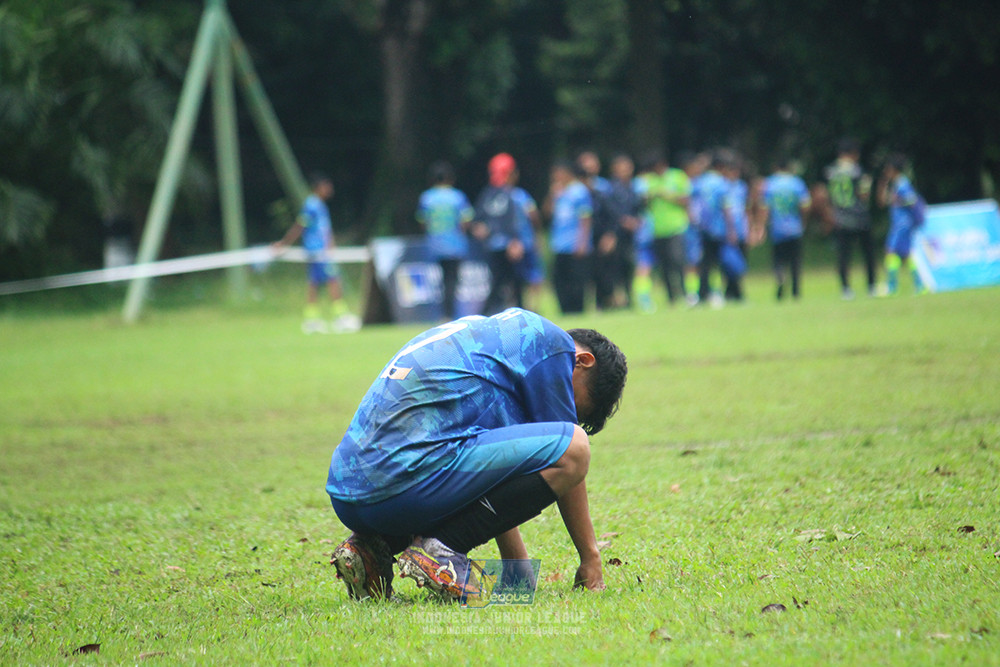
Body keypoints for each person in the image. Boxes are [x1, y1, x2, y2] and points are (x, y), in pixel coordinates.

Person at [326, 307, 628, 601]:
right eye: (572, 402)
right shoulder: (550, 344)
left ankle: (372, 549)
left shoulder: (494, 340)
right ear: (582, 361)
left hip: (352, 497)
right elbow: (569, 453)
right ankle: (442, 549)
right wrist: (590, 557)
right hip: (403, 485)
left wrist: (516, 570)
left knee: (464, 453)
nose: (565, 413)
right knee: (574, 446)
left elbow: (492, 469)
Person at [273, 172, 357, 333]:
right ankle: (340, 317)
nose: (329, 189)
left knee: (315, 283)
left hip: (321, 250)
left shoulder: (319, 205)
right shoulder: (311, 205)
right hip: (317, 251)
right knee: (333, 280)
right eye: (326, 186)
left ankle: (311, 319)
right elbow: (300, 226)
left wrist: (331, 244)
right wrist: (284, 243)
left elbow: (324, 229)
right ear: (318, 187)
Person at [416, 161, 475, 320]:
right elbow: (466, 220)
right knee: (452, 280)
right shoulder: (457, 196)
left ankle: (444, 313)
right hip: (455, 244)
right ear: (450, 178)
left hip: (435, 244)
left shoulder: (426, 197)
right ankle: (450, 314)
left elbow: (422, 221)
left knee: (441, 280)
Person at [473, 154, 525, 315]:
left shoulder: (490, 194)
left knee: (509, 282)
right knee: (504, 282)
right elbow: (479, 220)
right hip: (500, 246)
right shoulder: (505, 194)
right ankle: (491, 313)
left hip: (500, 245)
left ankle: (510, 312)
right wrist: (515, 241)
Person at [824, 138, 876, 299]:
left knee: (843, 255)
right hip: (859, 216)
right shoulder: (858, 171)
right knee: (868, 252)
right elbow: (863, 194)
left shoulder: (830, 171)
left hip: (840, 217)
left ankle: (846, 288)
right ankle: (871, 286)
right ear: (853, 153)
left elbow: (826, 195)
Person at [756, 157, 812, 301]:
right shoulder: (797, 183)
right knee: (795, 260)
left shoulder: (770, 184)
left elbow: (764, 207)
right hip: (795, 227)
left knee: (778, 260)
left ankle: (780, 277)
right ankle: (795, 290)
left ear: (776, 167)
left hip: (777, 228)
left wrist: (761, 226)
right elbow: (805, 206)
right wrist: (804, 222)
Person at [644, 151, 691, 306]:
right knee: (664, 266)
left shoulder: (677, 176)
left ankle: (685, 293)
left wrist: (668, 195)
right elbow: (646, 203)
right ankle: (671, 297)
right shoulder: (650, 180)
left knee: (678, 261)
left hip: (676, 227)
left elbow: (686, 200)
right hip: (658, 229)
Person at [545, 161, 593, 314]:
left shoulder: (579, 191)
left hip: (575, 243)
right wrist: (552, 196)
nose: (555, 177)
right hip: (559, 244)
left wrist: (583, 242)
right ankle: (564, 310)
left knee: (576, 280)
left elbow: (585, 218)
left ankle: (578, 309)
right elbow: (546, 213)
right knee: (559, 280)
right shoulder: (558, 192)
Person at [877, 153, 925, 295]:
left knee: (890, 251)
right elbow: (882, 202)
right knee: (906, 254)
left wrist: (898, 201)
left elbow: (911, 200)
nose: (886, 172)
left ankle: (892, 287)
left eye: (888, 169)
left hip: (902, 224)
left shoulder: (902, 184)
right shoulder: (897, 184)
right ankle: (920, 285)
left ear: (893, 169)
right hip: (900, 224)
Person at [695, 150, 739, 307]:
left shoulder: (700, 181)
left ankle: (703, 294)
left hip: (703, 228)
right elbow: (726, 208)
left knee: (705, 263)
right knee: (726, 262)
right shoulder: (722, 183)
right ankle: (731, 293)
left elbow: (693, 203)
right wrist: (732, 230)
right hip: (720, 229)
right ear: (721, 167)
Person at [604, 154, 644, 308]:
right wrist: (621, 223)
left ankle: (628, 298)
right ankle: (614, 299)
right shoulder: (611, 189)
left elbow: (637, 208)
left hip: (630, 236)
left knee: (628, 267)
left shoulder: (633, 188)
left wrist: (636, 220)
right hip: (615, 235)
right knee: (614, 269)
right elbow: (610, 212)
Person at [722, 156, 750, 302]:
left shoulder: (741, 187)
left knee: (740, 263)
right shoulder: (722, 186)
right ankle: (733, 293)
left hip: (741, 229)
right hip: (727, 231)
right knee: (730, 264)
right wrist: (729, 230)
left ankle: (734, 292)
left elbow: (745, 209)